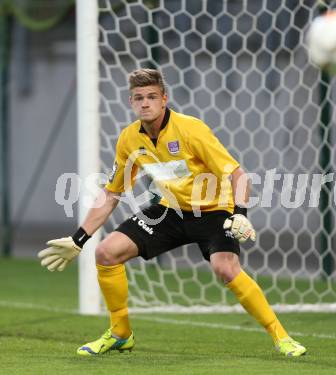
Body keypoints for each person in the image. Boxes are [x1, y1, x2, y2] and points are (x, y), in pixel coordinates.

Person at [38, 68, 306, 358]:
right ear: (131, 102)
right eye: (138, 98)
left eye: (152, 96)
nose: (145, 103)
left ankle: (282, 337)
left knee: (225, 268)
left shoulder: (191, 130)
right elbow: (112, 193)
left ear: (164, 99)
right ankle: (120, 333)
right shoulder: (129, 139)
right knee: (106, 252)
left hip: (214, 211)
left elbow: (239, 175)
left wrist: (240, 213)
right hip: (171, 211)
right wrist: (79, 239)